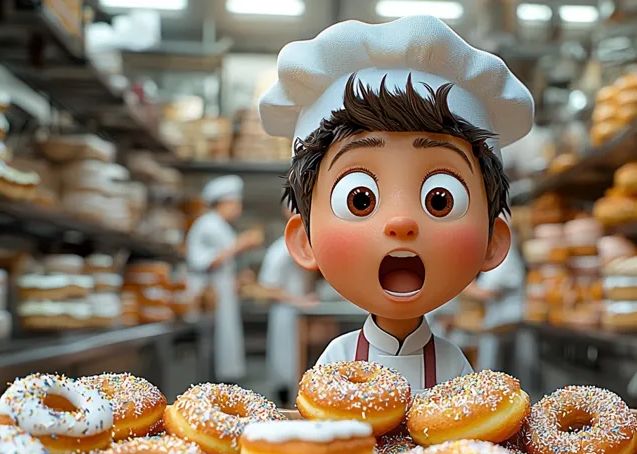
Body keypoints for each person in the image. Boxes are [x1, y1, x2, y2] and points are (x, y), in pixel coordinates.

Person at [257, 15, 534, 390]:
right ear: (304, 241)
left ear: (493, 242)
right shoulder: (336, 361)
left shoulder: (453, 363)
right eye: (360, 200)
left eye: (440, 200)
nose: (401, 221)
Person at [185, 175, 263, 381]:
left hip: (224, 297)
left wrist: (238, 279)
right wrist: (240, 244)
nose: (238, 208)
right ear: (224, 202)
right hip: (209, 301)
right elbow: (203, 262)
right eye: (235, 203)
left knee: (223, 352)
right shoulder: (207, 224)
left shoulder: (221, 227)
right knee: (209, 355)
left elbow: (223, 266)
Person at [257, 203, 318, 392]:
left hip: (300, 312)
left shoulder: (307, 243)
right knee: (287, 368)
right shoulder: (279, 250)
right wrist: (299, 301)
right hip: (286, 314)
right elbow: (268, 288)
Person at [462, 218, 525, 371]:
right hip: (497, 325)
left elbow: (487, 293)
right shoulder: (495, 256)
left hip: (507, 327)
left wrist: (458, 284)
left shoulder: (506, 257)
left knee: (501, 374)